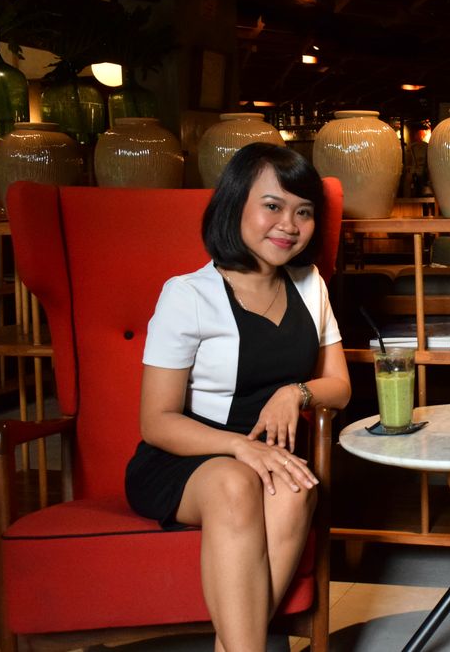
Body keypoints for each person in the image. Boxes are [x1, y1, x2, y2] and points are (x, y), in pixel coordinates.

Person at [124, 143, 351, 652]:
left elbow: (339, 386)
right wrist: (239, 447)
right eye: (273, 205)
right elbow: (156, 421)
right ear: (235, 204)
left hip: (268, 459)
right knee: (235, 483)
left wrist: (295, 393)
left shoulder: (309, 283)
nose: (289, 224)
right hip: (185, 460)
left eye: (304, 212)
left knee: (296, 489)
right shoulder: (188, 294)